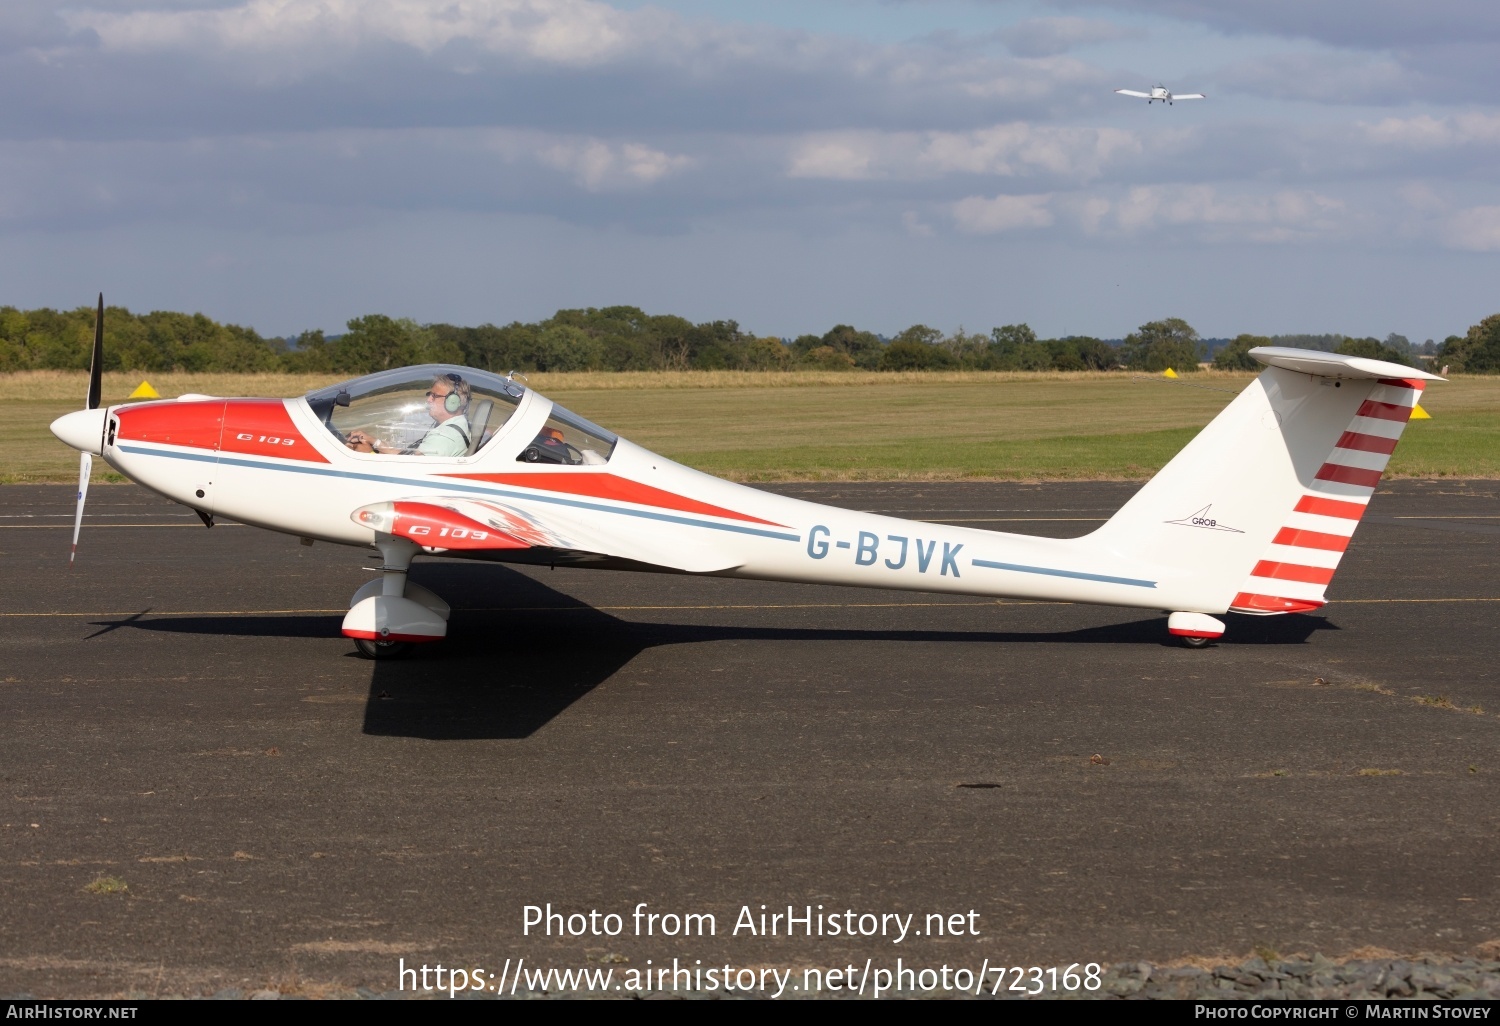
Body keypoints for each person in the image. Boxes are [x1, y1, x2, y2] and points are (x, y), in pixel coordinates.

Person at [345, 373, 472, 456]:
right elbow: (407, 456)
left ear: (453, 402)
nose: (429, 400)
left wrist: (370, 454)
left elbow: (408, 470)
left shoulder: (446, 437)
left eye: (435, 396)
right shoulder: (452, 426)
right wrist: (373, 441)